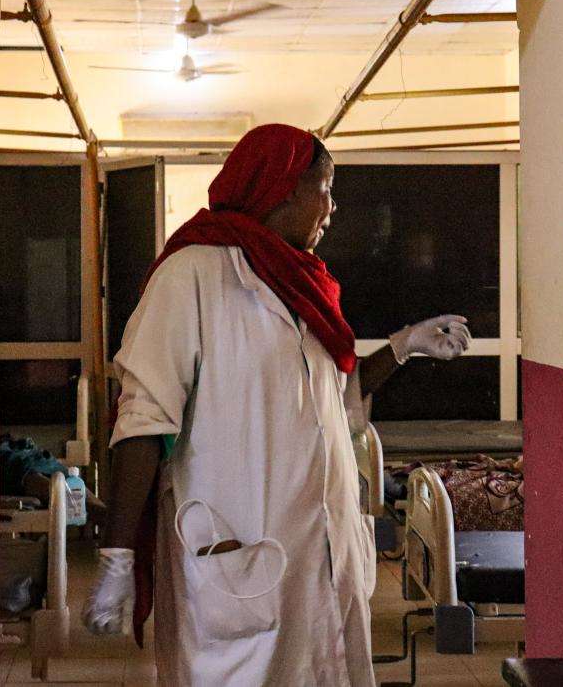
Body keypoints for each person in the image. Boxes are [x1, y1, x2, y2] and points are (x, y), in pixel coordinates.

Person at [81, 124, 470, 685]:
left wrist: (403, 348)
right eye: (325, 188)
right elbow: (142, 422)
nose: (332, 208)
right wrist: (117, 557)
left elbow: (331, 401)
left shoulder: (303, 286)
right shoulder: (192, 275)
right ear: (283, 187)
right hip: (238, 558)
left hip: (320, 557)